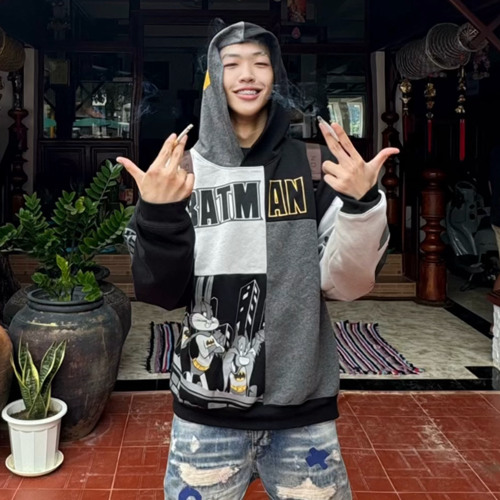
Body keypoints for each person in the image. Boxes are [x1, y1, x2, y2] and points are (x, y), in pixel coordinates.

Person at [118, 21, 398, 500]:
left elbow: (347, 284)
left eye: (261, 63)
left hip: (302, 408)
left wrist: (362, 204)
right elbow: (161, 292)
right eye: (232, 64)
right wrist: (158, 213)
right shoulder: (182, 172)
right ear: (213, 77)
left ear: (276, 75)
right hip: (205, 413)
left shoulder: (313, 167)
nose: (247, 74)